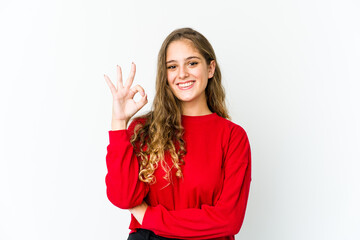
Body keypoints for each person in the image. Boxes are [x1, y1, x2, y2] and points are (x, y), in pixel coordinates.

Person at [104, 27, 252, 240]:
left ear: (210, 69)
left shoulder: (233, 137)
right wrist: (119, 121)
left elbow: (229, 220)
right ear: (165, 75)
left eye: (192, 63)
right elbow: (123, 198)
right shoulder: (144, 128)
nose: (182, 73)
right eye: (172, 66)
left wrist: (149, 217)